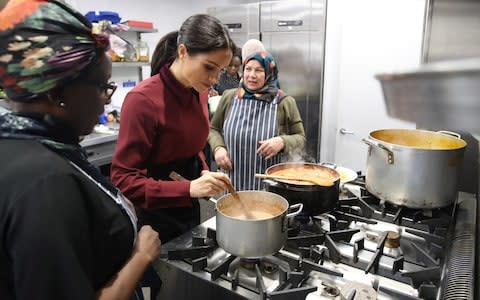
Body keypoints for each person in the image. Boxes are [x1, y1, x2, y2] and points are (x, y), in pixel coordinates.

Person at [0, 1, 160, 300]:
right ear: (58, 93)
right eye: (102, 87)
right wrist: (141, 255)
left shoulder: (23, 144)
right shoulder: (45, 183)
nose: (107, 102)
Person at [209, 51, 306, 191]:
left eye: (259, 70)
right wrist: (218, 148)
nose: (252, 75)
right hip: (232, 183)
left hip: (269, 188)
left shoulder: (284, 102)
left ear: (269, 73)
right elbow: (213, 129)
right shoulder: (229, 97)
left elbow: (301, 138)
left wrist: (282, 142)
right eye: (248, 69)